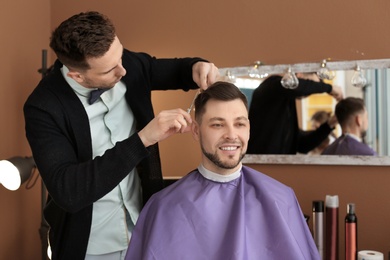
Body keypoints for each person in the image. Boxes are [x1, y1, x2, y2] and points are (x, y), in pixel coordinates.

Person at [23, 11, 219, 260]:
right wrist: (143, 139)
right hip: (89, 246)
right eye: (110, 70)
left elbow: (172, 69)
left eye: (121, 55)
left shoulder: (127, 64)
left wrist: (196, 66)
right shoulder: (43, 107)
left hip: (144, 230)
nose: (123, 70)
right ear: (77, 75)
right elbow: (68, 191)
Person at [125, 81, 320, 260]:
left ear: (249, 129)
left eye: (239, 124)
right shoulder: (163, 207)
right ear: (196, 130)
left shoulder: (281, 198)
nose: (231, 135)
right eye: (218, 125)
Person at [247, 72, 343, 154]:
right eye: (311, 83)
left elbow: (302, 145)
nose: (310, 92)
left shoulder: (288, 104)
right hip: (259, 165)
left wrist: (329, 124)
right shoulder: (272, 85)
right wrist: (329, 88)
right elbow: (299, 87)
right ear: (300, 75)